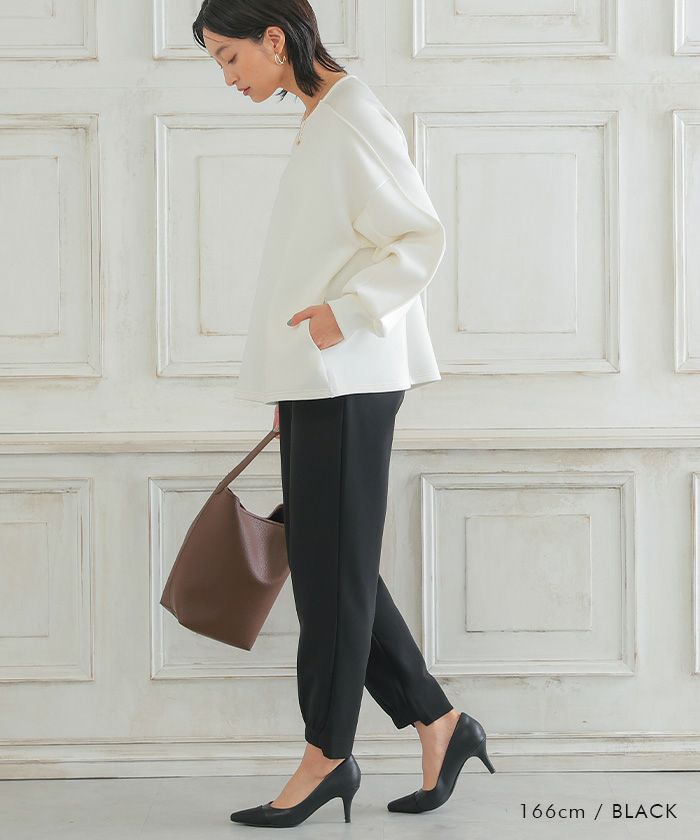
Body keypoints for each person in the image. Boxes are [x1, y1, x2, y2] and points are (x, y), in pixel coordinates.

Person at [193, 0, 495, 828]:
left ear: (274, 38)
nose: (228, 77)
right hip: (320, 379)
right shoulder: (321, 118)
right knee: (334, 563)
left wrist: (347, 313)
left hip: (351, 374)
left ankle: (327, 754)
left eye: (229, 57)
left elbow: (419, 237)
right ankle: (437, 721)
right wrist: (291, 378)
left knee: (331, 575)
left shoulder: (351, 115)